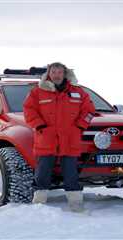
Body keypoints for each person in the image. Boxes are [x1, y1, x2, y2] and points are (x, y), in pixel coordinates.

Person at [23, 62, 95, 212]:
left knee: (71, 173)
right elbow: (29, 110)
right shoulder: (37, 92)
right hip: (46, 139)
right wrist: (39, 125)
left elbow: (89, 111)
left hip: (70, 139)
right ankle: (38, 204)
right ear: (49, 74)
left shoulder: (78, 92)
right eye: (53, 72)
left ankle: (76, 205)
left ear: (65, 74)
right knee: (42, 172)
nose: (56, 75)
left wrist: (80, 126)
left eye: (59, 72)